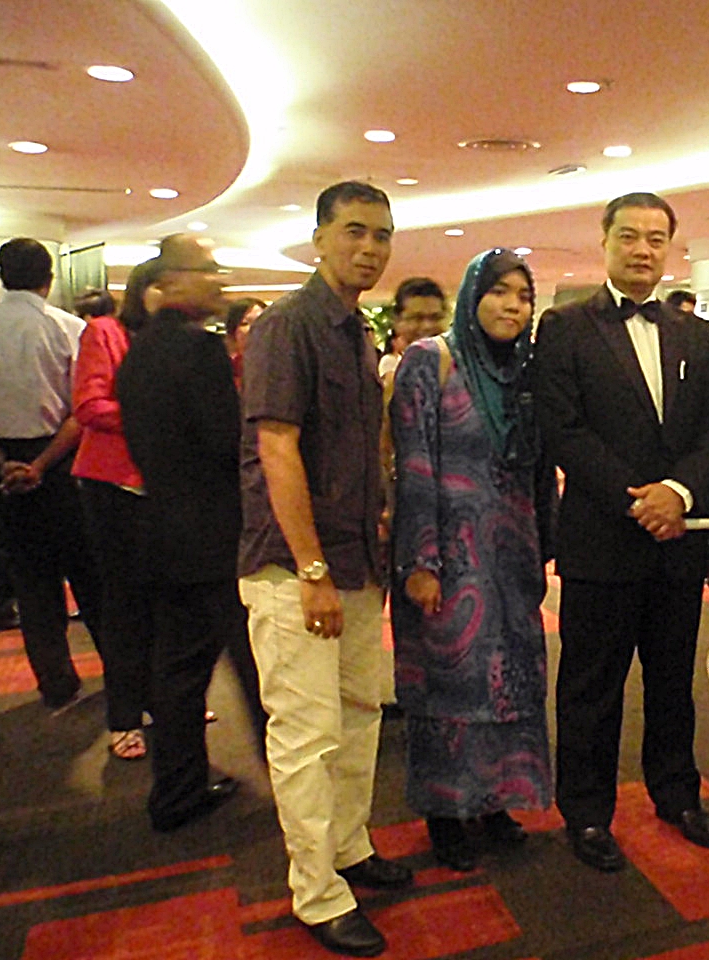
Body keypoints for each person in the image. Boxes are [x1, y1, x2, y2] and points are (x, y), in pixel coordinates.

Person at [533, 191, 709, 872]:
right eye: (629, 236)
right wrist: (639, 501)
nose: (643, 249)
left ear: (670, 247)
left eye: (655, 238)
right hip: (602, 540)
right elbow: (563, 431)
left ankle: (677, 795)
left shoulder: (695, 334)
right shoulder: (565, 327)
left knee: (673, 681)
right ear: (605, 242)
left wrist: (678, 494)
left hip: (678, 541)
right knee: (591, 688)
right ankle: (587, 813)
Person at [238, 182, 412, 959]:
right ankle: (316, 891)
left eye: (382, 234)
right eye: (354, 232)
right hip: (293, 566)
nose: (369, 248)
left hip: (355, 558)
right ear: (318, 239)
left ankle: (348, 847)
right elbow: (277, 449)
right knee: (307, 735)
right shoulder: (289, 325)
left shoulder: (357, 331)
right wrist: (310, 569)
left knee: (360, 715)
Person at [391, 249, 553, 870]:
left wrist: (543, 548)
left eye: (524, 296)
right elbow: (414, 465)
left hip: (511, 556)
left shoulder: (521, 373)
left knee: (507, 681)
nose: (513, 306)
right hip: (449, 555)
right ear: (472, 297)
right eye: (500, 292)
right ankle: (446, 812)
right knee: (450, 685)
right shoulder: (430, 360)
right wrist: (421, 561)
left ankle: (494, 800)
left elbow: (538, 471)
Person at [116, 235, 257, 830]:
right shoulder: (198, 351)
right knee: (262, 667)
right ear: (169, 281)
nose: (219, 279)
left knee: (178, 675)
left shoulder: (138, 353)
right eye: (208, 270)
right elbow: (228, 444)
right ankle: (304, 789)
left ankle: (176, 795)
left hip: (163, 534)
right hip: (218, 537)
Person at [0, 238, 108, 712]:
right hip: (63, 461)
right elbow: (82, 411)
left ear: (2, 276)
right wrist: (41, 465)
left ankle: (56, 684)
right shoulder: (70, 328)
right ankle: (121, 673)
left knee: (32, 582)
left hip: (3, 466)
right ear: (50, 277)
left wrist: (5, 464)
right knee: (91, 576)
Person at [71, 260, 156, 760]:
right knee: (124, 605)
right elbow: (88, 405)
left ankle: (161, 700)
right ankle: (124, 717)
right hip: (112, 484)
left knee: (162, 603)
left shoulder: (175, 342)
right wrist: (155, 416)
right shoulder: (105, 332)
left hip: (158, 486)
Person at [379, 277, 447, 381]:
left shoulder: (457, 363)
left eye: (435, 317)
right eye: (417, 318)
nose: (427, 326)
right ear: (397, 320)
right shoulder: (391, 366)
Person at [224, 297, 264, 391]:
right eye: (245, 323)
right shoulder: (227, 369)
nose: (254, 328)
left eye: (260, 321)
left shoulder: (282, 367)